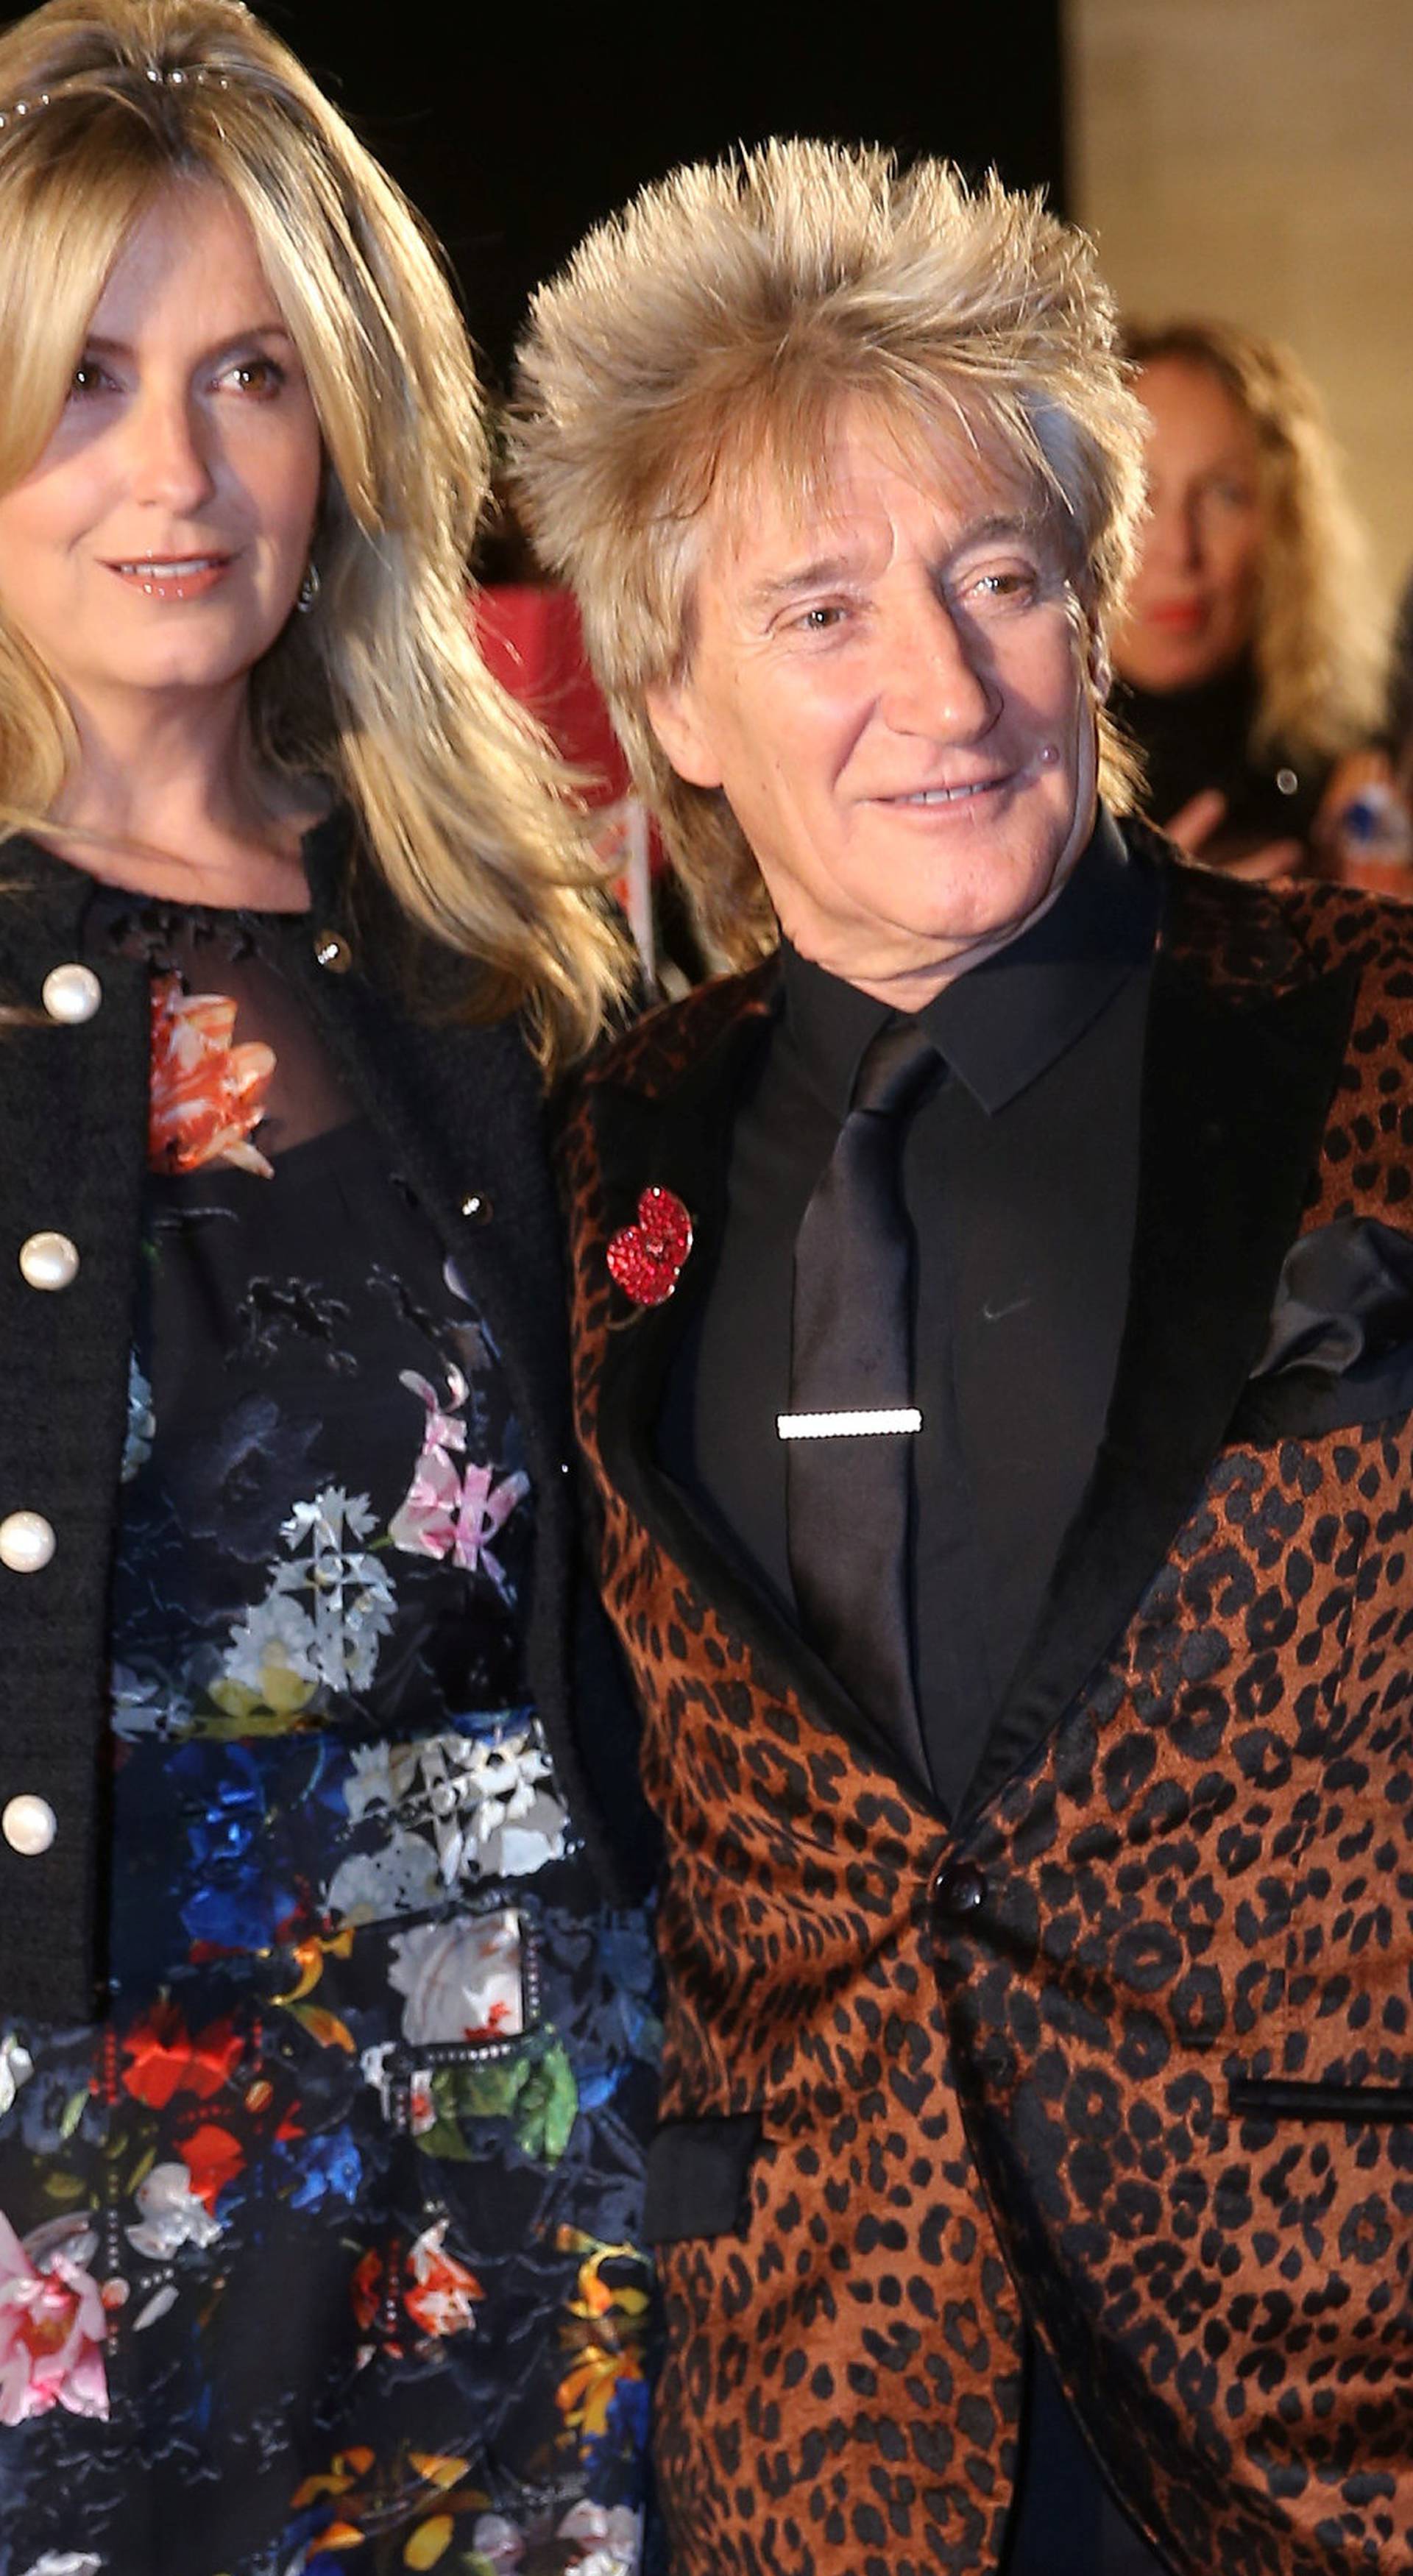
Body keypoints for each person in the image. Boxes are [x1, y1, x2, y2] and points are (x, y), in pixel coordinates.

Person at [511, 139, 1413, 2576]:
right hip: (821, 2448)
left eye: (1000, 575)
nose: (943, 685)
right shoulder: (597, 1162)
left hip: (1334, 2429)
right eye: (819, 610)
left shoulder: (1375, 1041)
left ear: (1096, 615)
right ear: (674, 695)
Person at [0, 4, 660, 2570]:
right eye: (80, 377)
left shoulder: (512, 961)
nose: (173, 472)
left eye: (253, 373)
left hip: (499, 2184)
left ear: (349, 431)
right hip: (65, 2208)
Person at [1113, 318, 1390, 878]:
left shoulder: (1357, 780)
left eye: (1223, 495)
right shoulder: (1002, 779)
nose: (1180, 549)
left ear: (1286, 530)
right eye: (1138, 494)